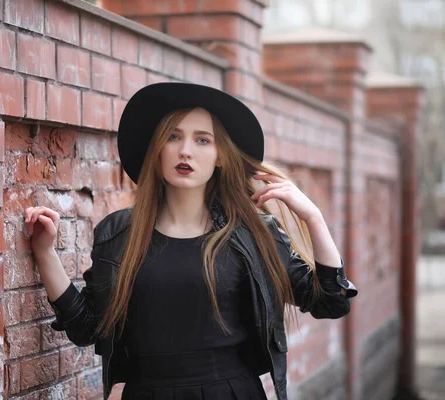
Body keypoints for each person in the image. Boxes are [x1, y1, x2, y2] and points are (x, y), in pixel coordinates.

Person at [24, 83, 358, 400]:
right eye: (173, 136)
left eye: (202, 140)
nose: (185, 150)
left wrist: (312, 218)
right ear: (157, 151)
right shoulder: (118, 233)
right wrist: (44, 252)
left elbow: (332, 302)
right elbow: (87, 328)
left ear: (220, 156)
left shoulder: (253, 234)